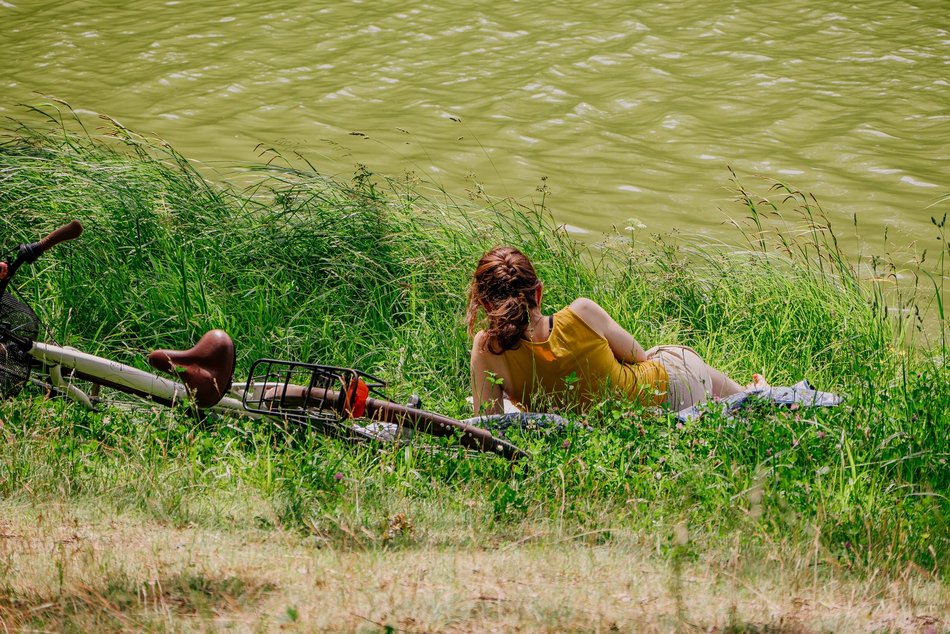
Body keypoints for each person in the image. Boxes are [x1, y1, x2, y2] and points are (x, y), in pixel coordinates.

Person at [466, 246, 766, 416]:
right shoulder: (581, 311)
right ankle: (752, 396)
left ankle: (746, 396)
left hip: (652, 408)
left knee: (663, 358)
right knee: (669, 354)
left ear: (482, 303)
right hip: (669, 395)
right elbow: (636, 355)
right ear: (539, 293)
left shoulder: (487, 350)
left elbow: (490, 425)